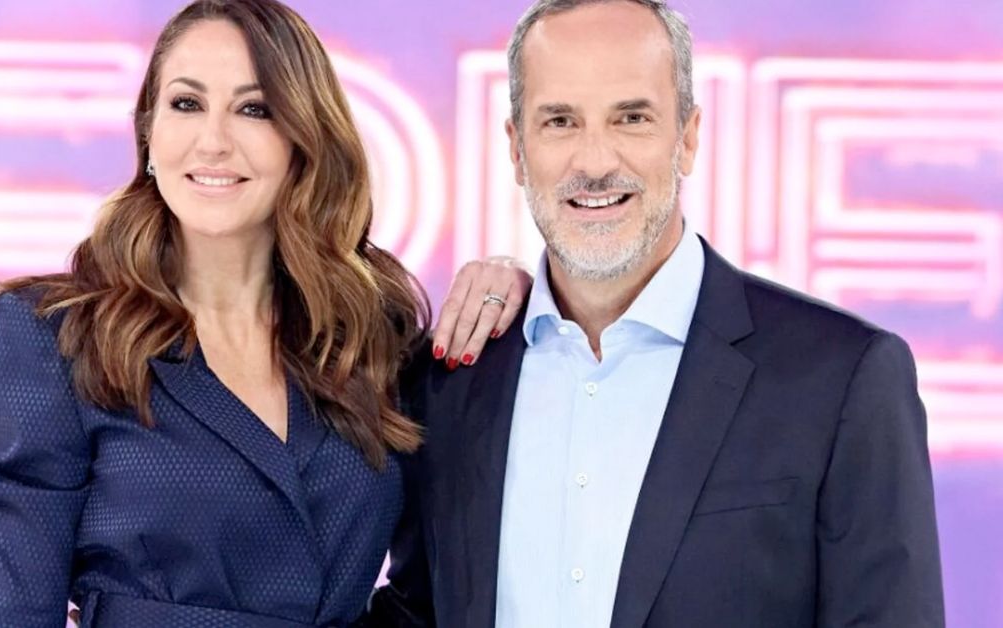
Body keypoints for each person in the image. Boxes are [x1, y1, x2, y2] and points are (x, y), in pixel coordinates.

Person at [367, 1, 946, 627]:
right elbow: (415, 613)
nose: (594, 163)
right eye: (560, 121)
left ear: (688, 137)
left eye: (632, 118)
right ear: (516, 148)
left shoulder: (841, 379)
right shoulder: (448, 382)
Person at [0, 1, 529, 626]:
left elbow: (427, 600)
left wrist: (514, 287)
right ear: (148, 132)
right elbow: (13, 611)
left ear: (303, 140)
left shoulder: (373, 336)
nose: (213, 141)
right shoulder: (56, 335)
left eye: (254, 109)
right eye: (186, 104)